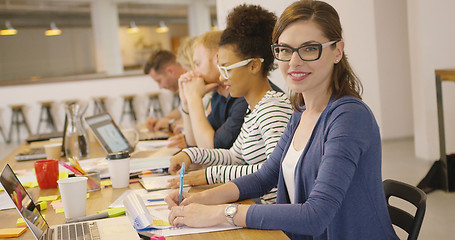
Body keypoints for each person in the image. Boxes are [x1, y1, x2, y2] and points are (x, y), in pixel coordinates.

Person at [165, 1, 399, 239]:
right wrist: (199, 199)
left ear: (337, 51)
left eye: (309, 49)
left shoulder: (349, 117)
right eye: (285, 50)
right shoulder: (301, 112)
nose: (294, 62)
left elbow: (315, 215)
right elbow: (264, 176)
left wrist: (220, 213)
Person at [167, 4, 293, 204]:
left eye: (227, 69)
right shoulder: (255, 110)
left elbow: (274, 171)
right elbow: (234, 157)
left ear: (253, 65)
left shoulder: (273, 109)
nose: (222, 78)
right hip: (253, 205)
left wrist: (209, 175)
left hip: (269, 216)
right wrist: (190, 154)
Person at [178, 31, 249, 149]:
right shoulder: (219, 96)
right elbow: (193, 143)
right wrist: (186, 104)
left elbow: (210, 150)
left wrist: (194, 98)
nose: (194, 72)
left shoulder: (243, 97)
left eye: (198, 64)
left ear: (218, 60)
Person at [143, 50, 186, 148]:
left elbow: (192, 122)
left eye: (159, 81)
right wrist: (163, 120)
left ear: (170, 71)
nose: (160, 87)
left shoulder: (194, 82)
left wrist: (170, 124)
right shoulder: (184, 86)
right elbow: (181, 110)